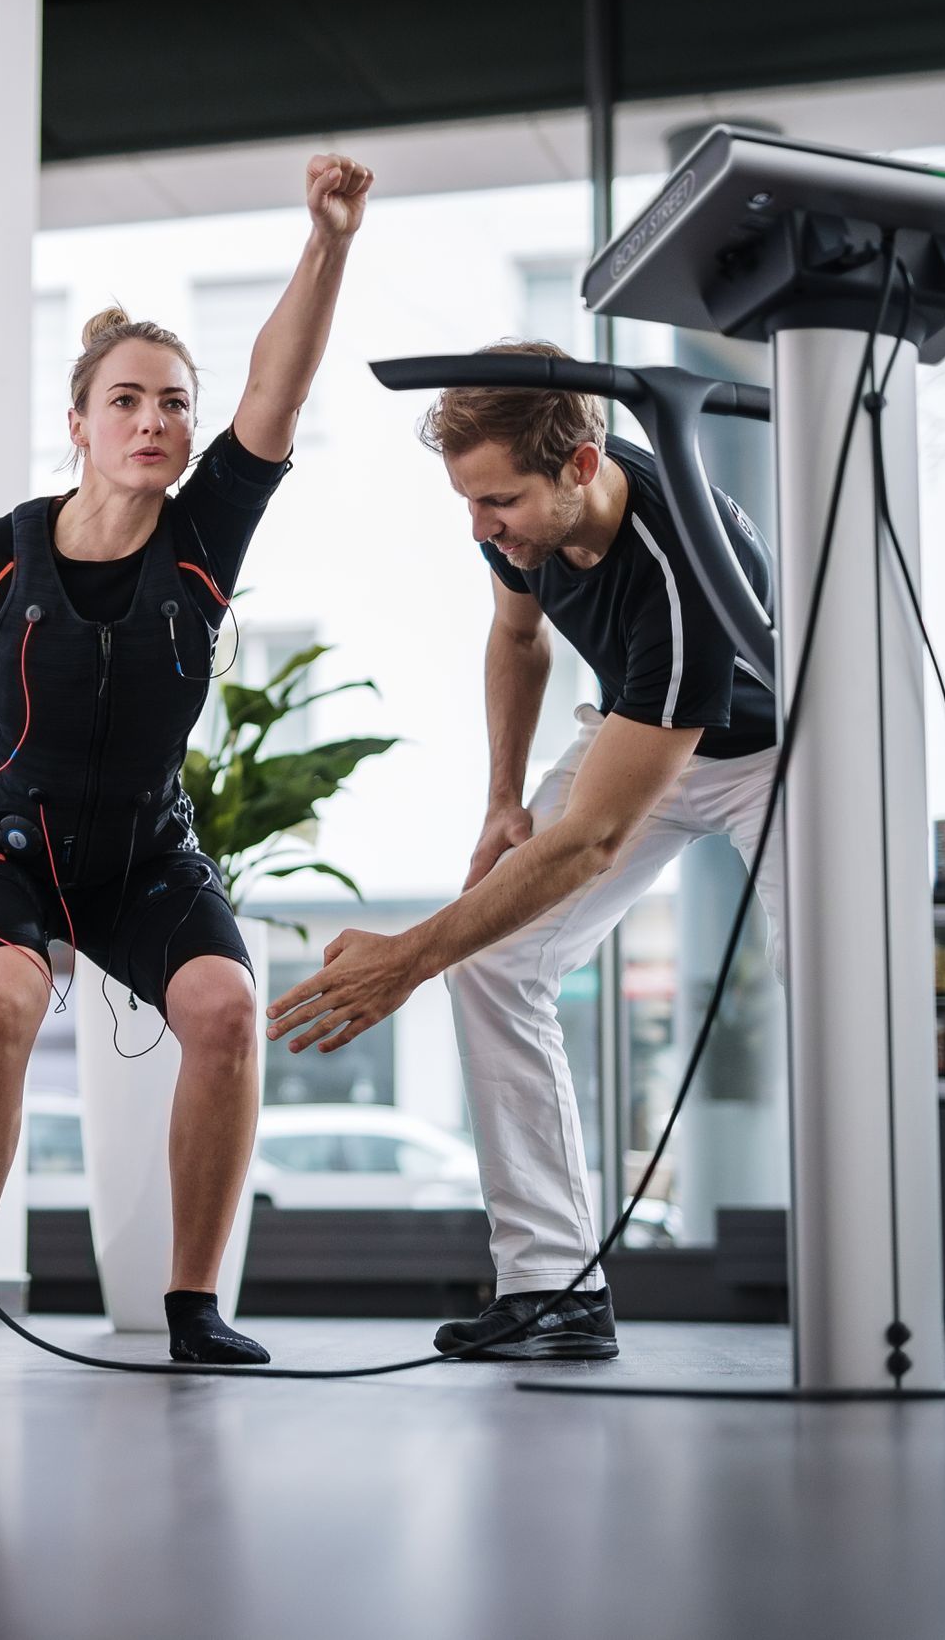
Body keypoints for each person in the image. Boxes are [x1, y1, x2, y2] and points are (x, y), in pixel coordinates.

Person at [0, 155, 375, 1365]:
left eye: (173, 403)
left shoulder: (203, 536)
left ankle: (191, 1309)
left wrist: (327, 241)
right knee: (4, 1003)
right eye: (125, 400)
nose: (152, 421)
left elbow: (274, 399)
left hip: (141, 850)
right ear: (76, 423)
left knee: (227, 1010)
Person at [264, 340, 783, 1361]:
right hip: (635, 723)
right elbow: (516, 638)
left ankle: (877, 1278)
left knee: (836, 1005)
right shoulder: (518, 525)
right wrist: (500, 798)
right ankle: (551, 1288)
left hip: (769, 753)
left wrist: (408, 958)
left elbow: (592, 842)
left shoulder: (678, 572)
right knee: (497, 963)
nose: (478, 526)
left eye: (495, 501)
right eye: (466, 501)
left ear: (578, 469)